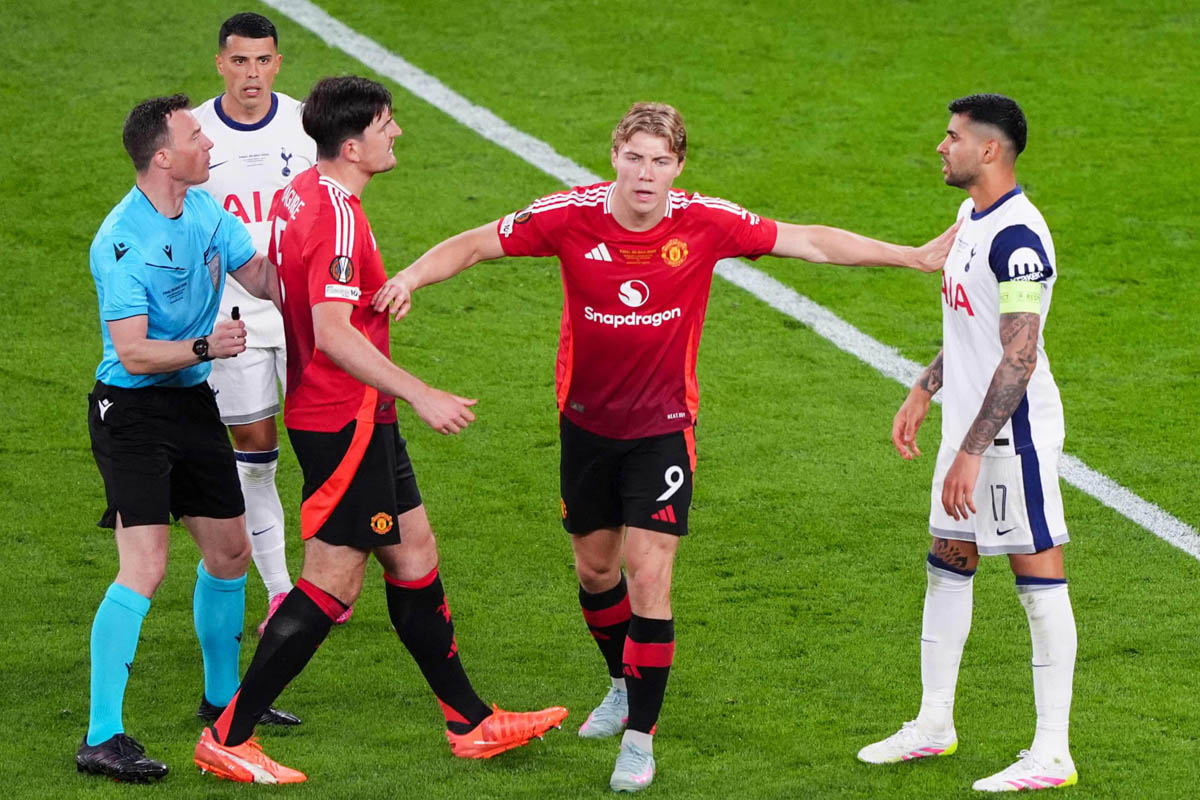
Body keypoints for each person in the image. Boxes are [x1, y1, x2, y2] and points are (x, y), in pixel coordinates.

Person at [371, 101, 956, 792]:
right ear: (614, 156)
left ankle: (639, 739)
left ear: (678, 167)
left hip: (662, 429)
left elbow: (810, 241)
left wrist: (911, 256)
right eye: (635, 158)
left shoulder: (705, 221)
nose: (645, 174)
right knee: (596, 572)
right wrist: (408, 277)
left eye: (660, 161)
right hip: (586, 427)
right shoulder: (570, 216)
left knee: (650, 578)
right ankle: (622, 685)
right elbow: (474, 244)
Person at [192, 76, 568, 785]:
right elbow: (333, 334)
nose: (396, 133)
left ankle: (469, 721)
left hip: (358, 414)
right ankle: (229, 735)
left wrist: (370, 300)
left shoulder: (301, 192)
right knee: (332, 582)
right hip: (343, 418)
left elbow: (298, 289)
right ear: (353, 145)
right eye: (386, 124)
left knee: (414, 552)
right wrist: (421, 392)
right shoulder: (337, 215)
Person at [856, 94, 1077, 792]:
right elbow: (975, 329)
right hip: (968, 427)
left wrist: (974, 450)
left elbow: (1019, 357)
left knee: (1038, 581)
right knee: (947, 563)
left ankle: (1052, 753)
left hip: (1012, 436)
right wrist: (926, 387)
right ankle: (933, 724)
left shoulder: (1019, 240)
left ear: (988, 150)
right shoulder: (970, 217)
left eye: (952, 137)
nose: (941, 146)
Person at [77, 94, 296, 782]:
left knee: (230, 553)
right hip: (132, 413)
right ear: (163, 157)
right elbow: (134, 353)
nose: (210, 144)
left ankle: (223, 702)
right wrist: (208, 345)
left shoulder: (203, 210)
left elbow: (260, 276)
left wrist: (326, 288)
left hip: (191, 402)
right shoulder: (122, 240)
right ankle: (101, 736)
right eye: (197, 136)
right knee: (144, 567)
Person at [192, 12, 341, 633]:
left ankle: (330, 580)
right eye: (239, 60)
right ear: (220, 63)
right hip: (233, 316)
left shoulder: (306, 126)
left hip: (305, 309)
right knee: (255, 453)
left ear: (278, 63)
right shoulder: (195, 134)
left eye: (262, 60)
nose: (251, 73)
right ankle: (282, 590)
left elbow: (336, 207)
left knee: (327, 445)